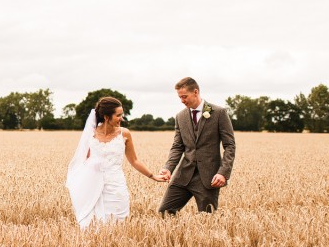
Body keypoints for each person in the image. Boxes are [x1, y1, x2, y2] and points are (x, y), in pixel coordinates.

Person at [67, 96, 167, 228]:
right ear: (106, 117)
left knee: (118, 223)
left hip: (116, 186)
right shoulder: (91, 134)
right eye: (118, 115)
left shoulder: (124, 134)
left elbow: (134, 160)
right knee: (93, 225)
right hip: (94, 186)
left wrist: (153, 176)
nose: (122, 118)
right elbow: (84, 161)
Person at [157, 77, 236, 215]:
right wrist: (168, 168)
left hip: (209, 178)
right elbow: (177, 146)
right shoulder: (180, 116)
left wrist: (223, 173)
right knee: (164, 213)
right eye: (180, 97)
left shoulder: (219, 113)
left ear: (195, 92)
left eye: (184, 96)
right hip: (183, 175)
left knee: (206, 220)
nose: (182, 100)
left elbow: (229, 145)